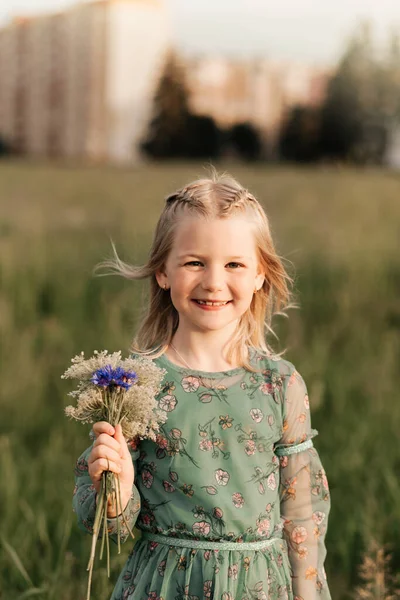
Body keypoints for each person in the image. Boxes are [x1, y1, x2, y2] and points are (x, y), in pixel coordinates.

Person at [73, 171, 331, 600]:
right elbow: (108, 523)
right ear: (162, 272)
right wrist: (114, 488)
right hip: (165, 583)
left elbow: (302, 513)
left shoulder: (280, 384)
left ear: (260, 275)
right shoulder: (135, 385)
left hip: (259, 588)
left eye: (234, 264)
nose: (214, 282)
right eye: (195, 262)